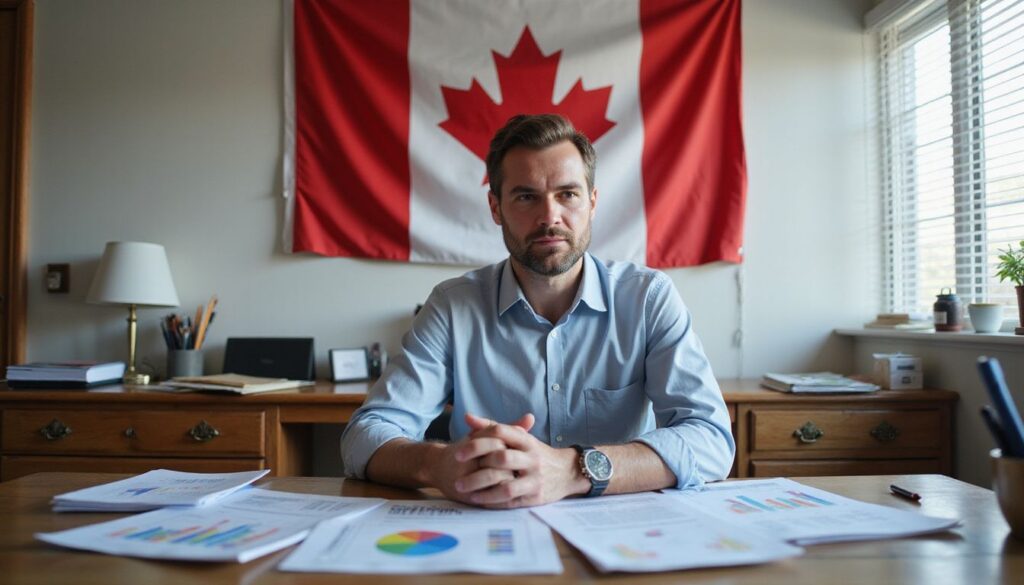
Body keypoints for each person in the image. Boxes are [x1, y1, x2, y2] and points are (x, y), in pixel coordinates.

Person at [341, 114, 734, 508]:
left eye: (567, 194)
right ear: (495, 207)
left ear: (592, 202)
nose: (550, 217)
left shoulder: (648, 299)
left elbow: (711, 440)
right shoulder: (452, 307)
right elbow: (364, 436)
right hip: (491, 531)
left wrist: (573, 470)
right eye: (526, 196)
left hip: (621, 533)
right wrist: (438, 463)